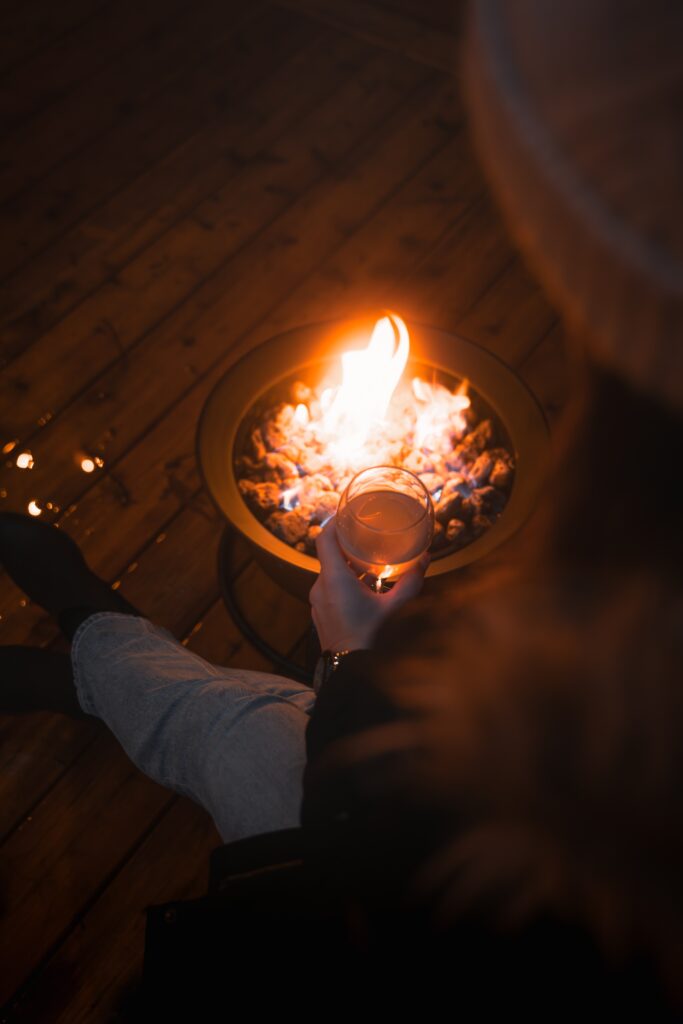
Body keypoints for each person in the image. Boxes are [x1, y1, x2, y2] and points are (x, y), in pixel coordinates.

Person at [2, 0, 682, 1016]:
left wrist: (360, 657)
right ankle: (87, 655)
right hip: (400, 834)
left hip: (352, 921)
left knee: (226, 722)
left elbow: (402, 875)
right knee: (250, 715)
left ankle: (87, 639)